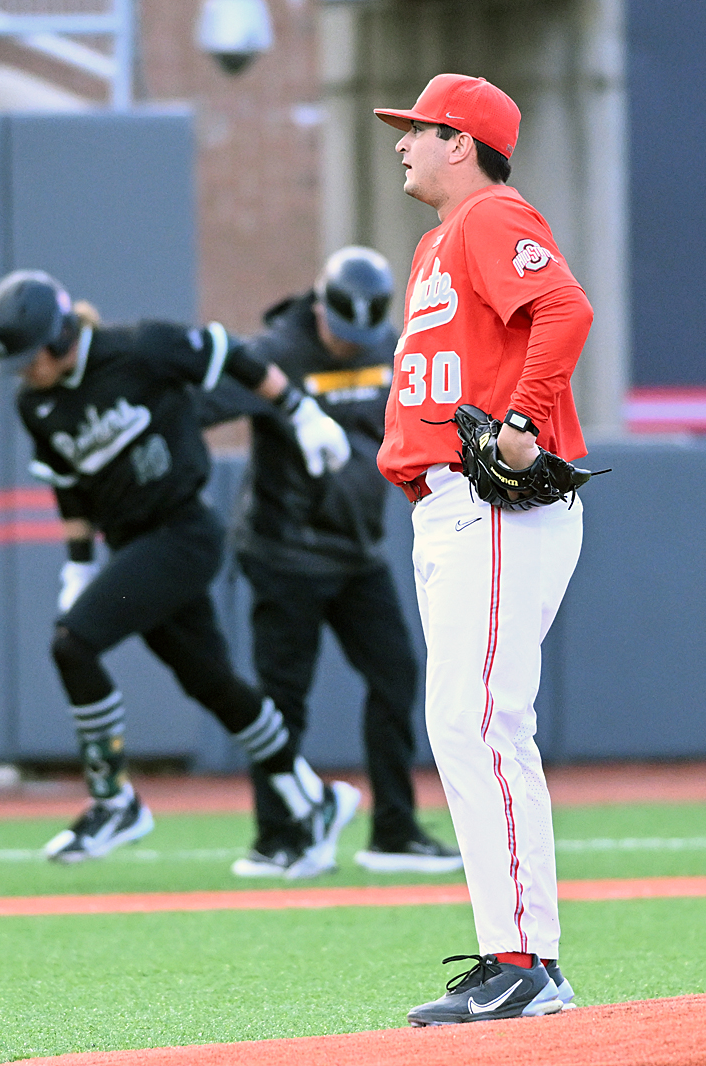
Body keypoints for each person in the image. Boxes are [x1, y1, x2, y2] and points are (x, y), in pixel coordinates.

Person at [0, 269, 361, 874]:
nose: (25, 372)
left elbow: (231, 354)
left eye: (30, 358)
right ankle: (308, 798)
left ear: (57, 339)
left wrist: (300, 410)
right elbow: (71, 490)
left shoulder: (139, 347)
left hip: (182, 532)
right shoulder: (38, 403)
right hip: (134, 545)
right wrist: (78, 567)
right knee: (213, 684)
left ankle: (114, 801)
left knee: (73, 646)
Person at [373, 74, 593, 1023]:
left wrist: (517, 419)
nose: (401, 145)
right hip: (448, 508)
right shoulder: (437, 241)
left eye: (416, 130)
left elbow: (566, 309)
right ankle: (523, 957)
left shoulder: (491, 212)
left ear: (460, 141)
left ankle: (524, 964)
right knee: (471, 723)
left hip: (489, 503)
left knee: (477, 722)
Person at [198, 247, 462, 878]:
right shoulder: (277, 354)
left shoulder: (390, 349)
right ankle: (279, 838)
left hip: (358, 553)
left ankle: (394, 831)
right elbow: (201, 407)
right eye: (342, 333)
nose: (350, 347)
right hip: (282, 553)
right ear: (320, 308)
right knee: (282, 697)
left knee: (396, 675)